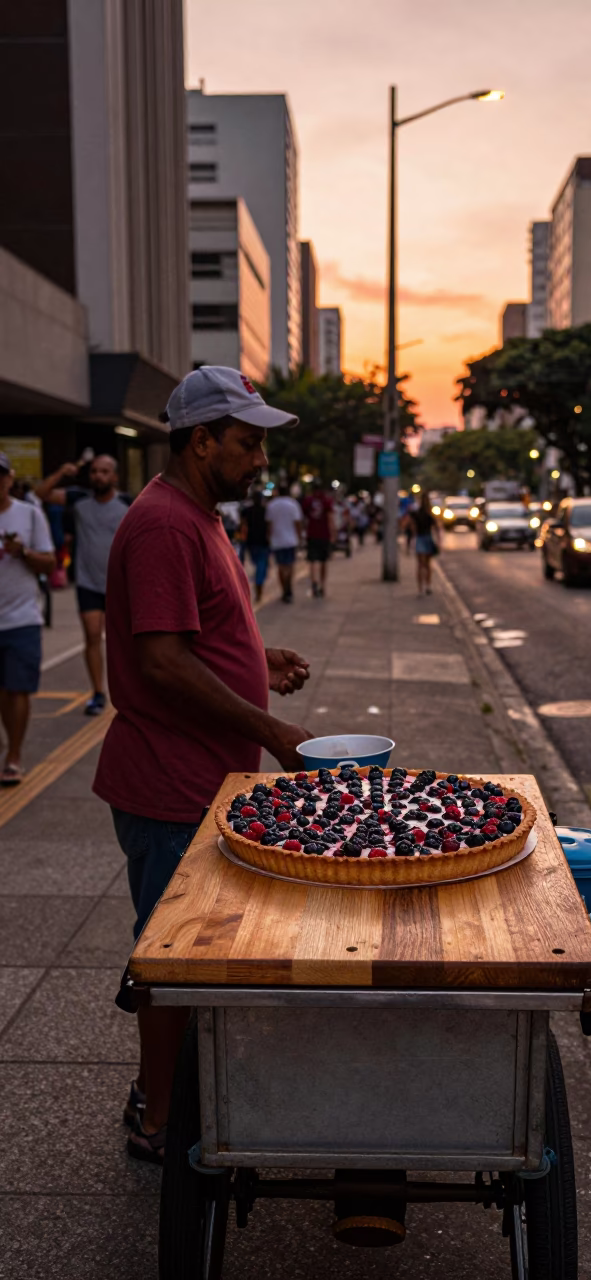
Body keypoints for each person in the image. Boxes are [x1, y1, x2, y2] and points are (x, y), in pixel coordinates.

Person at [92, 365, 310, 1165]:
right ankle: (156, 1118)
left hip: (205, 779)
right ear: (201, 440)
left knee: (185, 950)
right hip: (168, 782)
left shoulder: (202, 515)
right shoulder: (164, 525)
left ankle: (174, 1085)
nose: (259, 460)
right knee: (169, 961)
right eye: (247, 443)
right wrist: (273, 729)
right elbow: (164, 663)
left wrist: (258, 654)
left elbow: (199, 631)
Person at [35, 454, 131, 715]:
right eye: (94, 471)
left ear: (114, 477)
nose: (98, 476)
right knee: (91, 636)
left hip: (119, 584)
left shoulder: (128, 503)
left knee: (121, 641)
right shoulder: (79, 500)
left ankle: (127, 692)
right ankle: (98, 693)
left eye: (104, 472)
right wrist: (60, 473)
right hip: (88, 582)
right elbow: (42, 493)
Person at [0, 452, 56, 785]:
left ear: (10, 478)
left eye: (1, 475)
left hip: (21, 618)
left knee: (17, 691)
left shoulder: (29, 515)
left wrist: (23, 552)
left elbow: (49, 563)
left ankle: (14, 754)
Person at [265, 483, 304, 603]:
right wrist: (300, 537)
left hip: (277, 540)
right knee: (290, 565)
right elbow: (297, 523)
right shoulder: (293, 505)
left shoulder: (271, 505)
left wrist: (269, 537)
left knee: (281, 566)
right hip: (291, 540)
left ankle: (284, 590)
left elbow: (269, 524)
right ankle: (288, 587)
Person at [302, 479, 336, 597]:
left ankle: (314, 582)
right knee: (323, 561)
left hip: (311, 534)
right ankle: (322, 584)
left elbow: (304, 519)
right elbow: (330, 518)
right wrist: (333, 534)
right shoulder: (326, 501)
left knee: (312, 561)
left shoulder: (308, 501)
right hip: (324, 534)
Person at [241, 489, 270, 603]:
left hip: (251, 541)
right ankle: (259, 586)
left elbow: (243, 526)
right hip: (263, 541)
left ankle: (258, 586)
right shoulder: (266, 510)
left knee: (257, 563)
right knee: (261, 564)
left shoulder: (246, 511)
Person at [410, 492, 440, 595]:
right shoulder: (430, 514)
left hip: (420, 538)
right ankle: (427, 585)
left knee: (420, 565)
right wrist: (438, 541)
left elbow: (413, 527)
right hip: (427, 538)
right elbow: (437, 528)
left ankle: (420, 588)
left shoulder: (417, 513)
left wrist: (411, 541)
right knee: (427, 565)